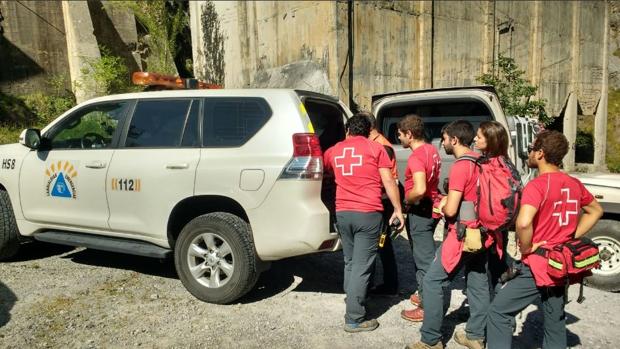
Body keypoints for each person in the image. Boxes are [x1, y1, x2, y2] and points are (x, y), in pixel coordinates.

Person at [486, 130, 603, 349]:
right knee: (555, 322)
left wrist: (528, 247)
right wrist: (570, 236)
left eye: (531, 149)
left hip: (539, 264)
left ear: (540, 153)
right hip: (562, 264)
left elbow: (523, 223)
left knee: (499, 311)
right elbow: (595, 211)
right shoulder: (573, 183)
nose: (528, 153)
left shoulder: (537, 185)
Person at [406, 120, 489, 349]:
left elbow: (452, 209)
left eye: (444, 139)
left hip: (463, 233)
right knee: (477, 282)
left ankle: (431, 340)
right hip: (483, 233)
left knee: (433, 281)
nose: (442, 144)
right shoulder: (482, 161)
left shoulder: (462, 166)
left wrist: (442, 205)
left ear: (454, 139)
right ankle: (475, 336)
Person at [323, 113, 405, 333]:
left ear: (348, 131)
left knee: (350, 261)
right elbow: (388, 181)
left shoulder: (332, 151)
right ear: (369, 131)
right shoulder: (375, 149)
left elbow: (326, 174)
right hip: (368, 212)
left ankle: (352, 299)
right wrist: (398, 209)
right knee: (363, 264)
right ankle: (354, 317)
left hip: (342, 212)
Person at [396, 114, 442, 322]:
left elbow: (420, 188)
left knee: (424, 260)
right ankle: (424, 294)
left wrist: (407, 199)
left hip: (420, 210)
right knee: (423, 254)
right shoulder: (432, 150)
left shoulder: (416, 157)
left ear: (410, 134)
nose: (399, 139)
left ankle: (427, 306)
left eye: (400, 135)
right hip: (431, 208)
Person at [359, 111, 401, 296]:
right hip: (382, 198)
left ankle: (387, 285)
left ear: (368, 127)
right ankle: (386, 283)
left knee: (381, 245)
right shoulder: (379, 143)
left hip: (382, 200)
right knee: (381, 244)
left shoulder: (381, 146)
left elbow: (385, 179)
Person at [473, 121, 514, 295]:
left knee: (478, 271)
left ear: (490, 141)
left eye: (479, 136)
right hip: (501, 225)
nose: (475, 139)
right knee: (498, 266)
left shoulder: (488, 166)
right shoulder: (506, 162)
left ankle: (489, 313)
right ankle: (501, 311)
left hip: (486, 228)